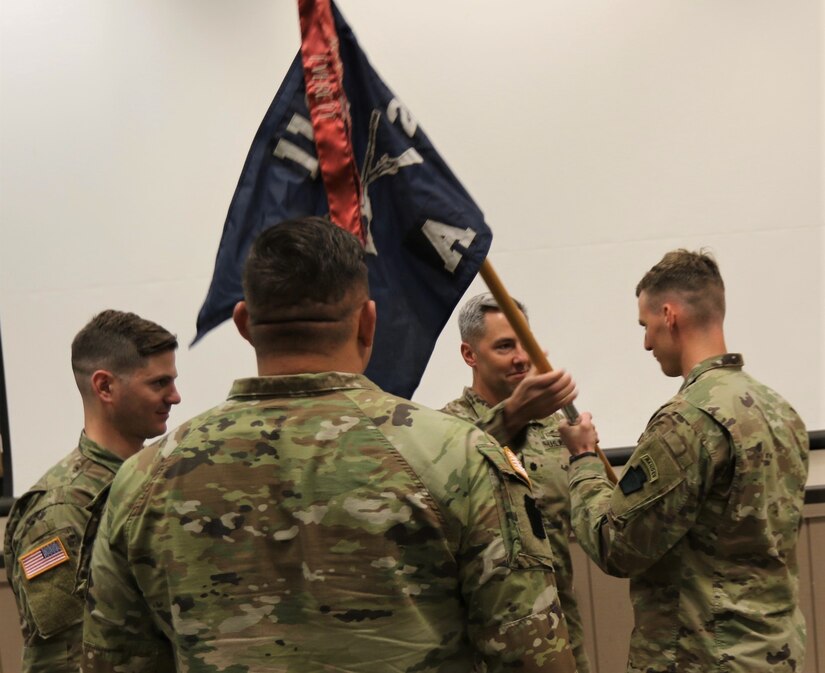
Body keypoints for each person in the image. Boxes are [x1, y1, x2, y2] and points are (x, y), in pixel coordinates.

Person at [81, 217, 577, 673]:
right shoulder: (459, 457)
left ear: (244, 324)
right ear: (368, 323)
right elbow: (531, 656)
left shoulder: (143, 480)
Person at [558, 249, 809, 673]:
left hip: (704, 659)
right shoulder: (781, 412)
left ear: (669, 314)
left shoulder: (688, 421)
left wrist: (583, 459)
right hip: (774, 654)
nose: (646, 342)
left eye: (646, 325)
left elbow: (616, 546)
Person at [4, 310, 180, 673]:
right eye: (159, 383)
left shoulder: (153, 481)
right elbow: (66, 658)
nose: (175, 397)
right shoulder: (61, 509)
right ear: (105, 387)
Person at [441, 293, 590, 673]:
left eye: (527, 343)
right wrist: (509, 420)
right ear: (469, 354)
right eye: (505, 346)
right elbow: (450, 487)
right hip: (483, 650)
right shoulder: (443, 432)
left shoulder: (556, 430)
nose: (522, 357)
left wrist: (585, 457)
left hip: (559, 640)